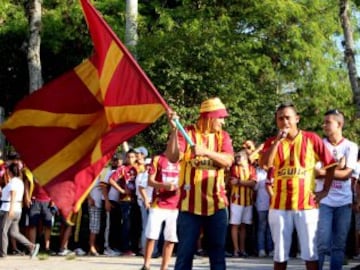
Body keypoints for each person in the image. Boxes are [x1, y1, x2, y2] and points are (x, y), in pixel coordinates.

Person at [260, 102, 337, 270]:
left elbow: (331, 165)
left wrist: (324, 191)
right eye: (280, 118)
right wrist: (277, 142)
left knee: (310, 252)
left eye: (288, 117)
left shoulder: (311, 138)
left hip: (306, 205)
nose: (284, 122)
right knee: (279, 254)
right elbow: (265, 164)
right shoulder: (272, 142)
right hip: (278, 205)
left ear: (297, 119)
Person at [167, 97, 234, 270]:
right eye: (220, 117)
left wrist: (205, 151)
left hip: (217, 205)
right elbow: (173, 157)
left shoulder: (223, 137)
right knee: (185, 254)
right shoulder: (187, 132)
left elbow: (228, 161)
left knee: (217, 255)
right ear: (210, 117)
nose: (223, 121)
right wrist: (174, 131)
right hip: (189, 206)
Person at [315, 109, 358, 270]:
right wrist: (337, 167)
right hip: (324, 200)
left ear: (339, 124)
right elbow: (315, 173)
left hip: (344, 201)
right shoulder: (319, 144)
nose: (324, 125)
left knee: (339, 246)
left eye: (328, 122)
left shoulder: (351, 146)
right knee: (321, 243)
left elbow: (347, 174)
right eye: (324, 122)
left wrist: (326, 171)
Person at [140, 145, 180, 270]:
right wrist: (164, 186)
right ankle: (146, 264)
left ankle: (165, 267)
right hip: (158, 203)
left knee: (171, 238)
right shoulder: (158, 159)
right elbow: (150, 182)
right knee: (152, 235)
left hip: (175, 205)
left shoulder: (183, 160)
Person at [0, 162, 40, 259]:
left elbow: (13, 194)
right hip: (17, 208)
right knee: (14, 232)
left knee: (3, 230)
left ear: (9, 171)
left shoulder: (13, 182)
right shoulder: (19, 182)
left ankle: (2, 253)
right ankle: (32, 246)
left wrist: (11, 209)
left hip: (9, 207)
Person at [229, 150, 257, 257]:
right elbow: (233, 181)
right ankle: (236, 250)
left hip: (248, 201)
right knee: (235, 225)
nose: (237, 159)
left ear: (245, 158)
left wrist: (240, 182)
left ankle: (242, 249)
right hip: (236, 200)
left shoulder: (251, 168)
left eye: (239, 157)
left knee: (244, 226)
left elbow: (253, 183)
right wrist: (246, 183)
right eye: (236, 158)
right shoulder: (234, 169)